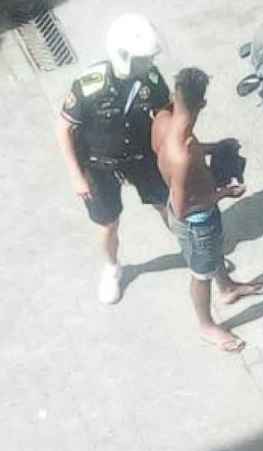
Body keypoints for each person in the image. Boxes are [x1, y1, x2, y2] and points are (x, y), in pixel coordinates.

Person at [55, 13, 172, 304]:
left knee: (167, 204)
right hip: (98, 164)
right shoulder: (89, 86)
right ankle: (111, 268)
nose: (149, 64)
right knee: (107, 224)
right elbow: (64, 129)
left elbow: (167, 116)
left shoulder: (152, 80)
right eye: (142, 59)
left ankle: (192, 247)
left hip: (142, 157)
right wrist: (75, 175)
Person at [151, 67, 263, 353]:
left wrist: (215, 147)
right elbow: (181, 208)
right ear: (202, 103)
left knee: (215, 254)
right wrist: (224, 193)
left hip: (195, 209)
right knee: (200, 274)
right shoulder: (185, 154)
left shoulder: (163, 120)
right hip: (196, 222)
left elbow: (184, 153)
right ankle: (206, 325)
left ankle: (227, 288)